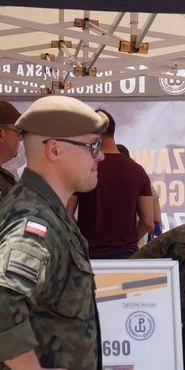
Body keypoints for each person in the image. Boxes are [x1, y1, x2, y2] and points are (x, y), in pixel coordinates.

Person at [0, 95, 107, 370]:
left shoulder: (44, 211)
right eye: (92, 145)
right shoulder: (35, 221)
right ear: (55, 149)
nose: (100, 155)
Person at [68, 110, 153, 259]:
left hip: (89, 255)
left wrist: (82, 238)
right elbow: (147, 222)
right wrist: (129, 241)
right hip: (126, 256)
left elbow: (66, 214)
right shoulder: (137, 171)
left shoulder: (83, 169)